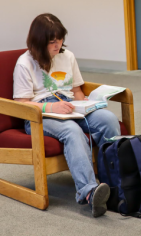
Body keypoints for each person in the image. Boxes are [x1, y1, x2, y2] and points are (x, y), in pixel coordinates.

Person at [13, 14, 121, 217]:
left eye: (60, 39)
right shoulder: (24, 63)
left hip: (72, 105)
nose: (57, 45)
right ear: (38, 41)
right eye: (52, 41)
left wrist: (88, 106)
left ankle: (116, 180)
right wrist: (52, 109)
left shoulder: (67, 56)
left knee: (108, 119)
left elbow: (77, 90)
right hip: (39, 115)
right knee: (72, 131)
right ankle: (89, 192)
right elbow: (22, 105)